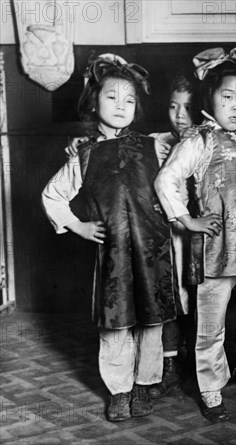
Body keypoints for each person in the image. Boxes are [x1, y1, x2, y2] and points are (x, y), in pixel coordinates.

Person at [154, 47, 236, 422]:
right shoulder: (199, 141)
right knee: (210, 325)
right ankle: (211, 390)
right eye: (227, 97)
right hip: (217, 248)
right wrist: (187, 220)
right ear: (209, 99)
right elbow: (167, 179)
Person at [41, 54, 176, 422]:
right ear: (93, 102)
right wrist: (79, 225)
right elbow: (52, 195)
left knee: (152, 321)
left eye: (129, 99)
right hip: (114, 253)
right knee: (115, 323)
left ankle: (146, 383)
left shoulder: (156, 146)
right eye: (112, 97)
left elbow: (188, 152)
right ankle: (119, 390)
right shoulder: (83, 153)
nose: (121, 105)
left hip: (154, 250)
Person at [147, 74, 199, 399]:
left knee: (200, 301)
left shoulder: (209, 141)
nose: (179, 115)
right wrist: (81, 145)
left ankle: (197, 363)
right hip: (170, 236)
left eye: (189, 107)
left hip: (205, 236)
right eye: (173, 106)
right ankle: (169, 366)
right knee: (171, 298)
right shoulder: (156, 141)